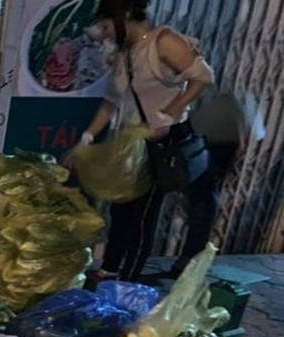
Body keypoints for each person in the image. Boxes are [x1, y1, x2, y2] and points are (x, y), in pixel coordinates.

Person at [79, 0, 216, 283]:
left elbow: (204, 77)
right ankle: (109, 269)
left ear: (123, 15)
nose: (103, 34)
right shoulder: (125, 53)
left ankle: (126, 283)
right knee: (121, 207)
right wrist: (87, 137)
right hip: (133, 141)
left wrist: (172, 111)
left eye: (105, 26)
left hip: (164, 141)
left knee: (141, 216)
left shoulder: (164, 42)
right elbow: (110, 103)